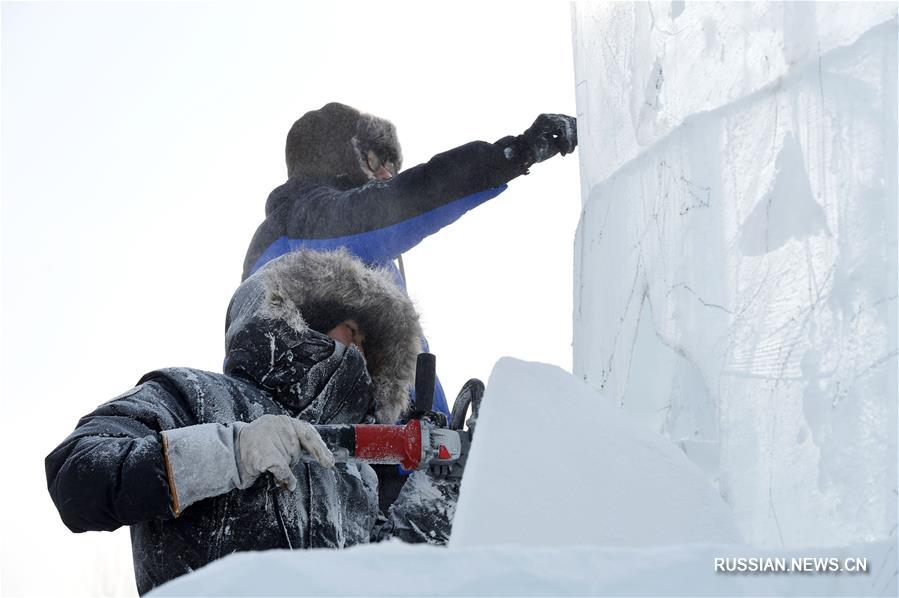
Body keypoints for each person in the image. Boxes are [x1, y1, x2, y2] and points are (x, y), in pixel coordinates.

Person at [45, 249, 438, 595]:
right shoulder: (196, 395)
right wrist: (230, 453)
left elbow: (386, 581)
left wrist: (436, 499)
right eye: (351, 330)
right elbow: (77, 474)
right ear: (306, 315)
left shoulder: (358, 475)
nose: (357, 351)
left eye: (369, 348)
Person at [242, 102, 578, 419]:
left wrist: (442, 435)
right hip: (343, 451)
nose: (387, 175)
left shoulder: (354, 261)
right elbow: (412, 196)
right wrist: (514, 154)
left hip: (387, 453)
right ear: (341, 156)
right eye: (375, 161)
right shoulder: (307, 221)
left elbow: (408, 378)